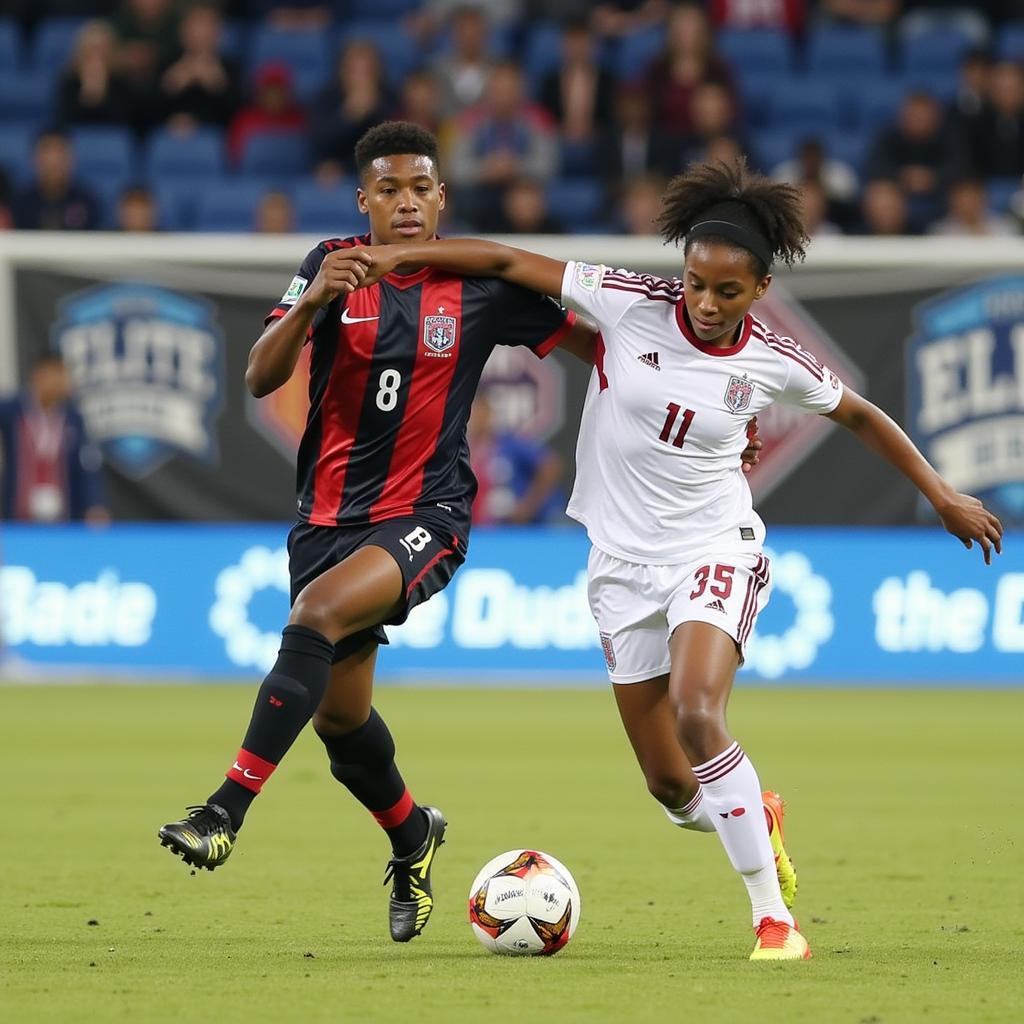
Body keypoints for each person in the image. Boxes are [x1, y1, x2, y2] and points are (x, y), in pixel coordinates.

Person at [348, 158, 1004, 960]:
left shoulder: (773, 359)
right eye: (696, 282)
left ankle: (774, 920)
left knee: (699, 713)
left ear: (760, 290)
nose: (707, 301)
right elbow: (504, 262)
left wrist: (940, 494)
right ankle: (752, 814)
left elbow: (861, 415)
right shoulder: (629, 302)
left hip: (713, 549)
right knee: (668, 785)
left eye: (729, 291)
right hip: (621, 567)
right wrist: (395, 259)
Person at [155, 121, 599, 944]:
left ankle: (223, 810)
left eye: (420, 188)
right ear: (364, 202)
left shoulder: (479, 285)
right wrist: (316, 297)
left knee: (316, 615)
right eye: (388, 189)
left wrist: (687, 405)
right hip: (324, 522)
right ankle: (411, 835)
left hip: (427, 515)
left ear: (440, 199)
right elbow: (260, 375)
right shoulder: (329, 265)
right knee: (339, 722)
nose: (405, 203)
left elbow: (595, 346)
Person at [0, 353, 108, 523]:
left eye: (65, 375)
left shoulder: (73, 419)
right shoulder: (13, 411)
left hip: (63, 516)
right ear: (39, 375)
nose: (63, 381)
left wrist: (93, 505)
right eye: (57, 374)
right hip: (18, 516)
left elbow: (87, 465)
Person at [467, 392, 566, 524]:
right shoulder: (464, 449)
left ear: (489, 414)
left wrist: (527, 506)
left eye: (479, 413)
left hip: (514, 527)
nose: (474, 418)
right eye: (471, 413)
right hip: (478, 527)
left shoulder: (509, 443)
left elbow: (550, 466)